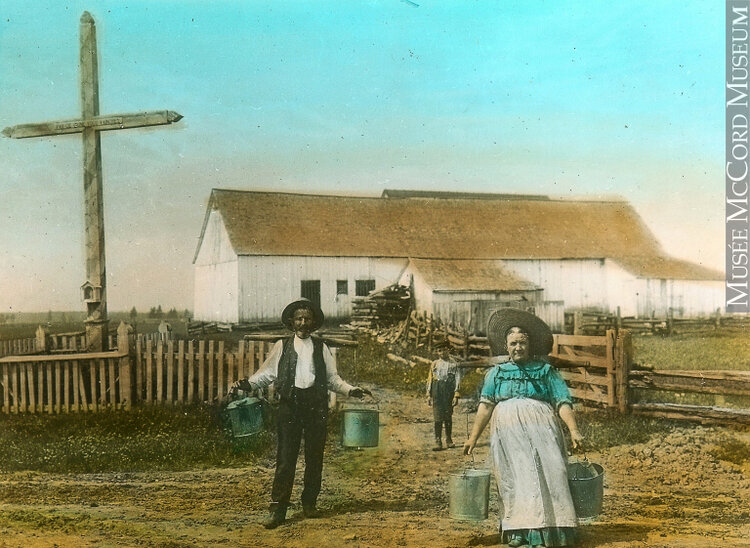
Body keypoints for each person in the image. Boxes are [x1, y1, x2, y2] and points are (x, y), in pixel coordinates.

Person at [232, 298, 371, 529]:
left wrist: (351, 390)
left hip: (316, 407)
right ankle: (278, 510)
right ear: (292, 321)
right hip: (290, 406)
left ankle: (309, 504)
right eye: (299, 318)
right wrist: (247, 384)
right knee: (286, 459)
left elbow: (332, 379)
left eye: (307, 319)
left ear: (313, 322)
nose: (303, 323)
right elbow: (267, 374)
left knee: (314, 457)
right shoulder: (282, 346)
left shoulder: (321, 347)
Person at [463, 308, 583, 548]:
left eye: (522, 343)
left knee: (553, 473)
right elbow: (485, 406)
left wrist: (573, 430)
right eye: (513, 343)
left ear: (530, 345)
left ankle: (550, 531)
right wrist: (472, 438)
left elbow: (562, 403)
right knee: (513, 478)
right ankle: (517, 530)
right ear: (506, 346)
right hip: (508, 434)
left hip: (543, 431)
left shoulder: (546, 372)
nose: (518, 347)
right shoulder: (496, 374)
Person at [426, 347, 460, 451]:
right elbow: (430, 379)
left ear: (449, 350)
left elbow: (457, 379)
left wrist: (456, 394)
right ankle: (438, 441)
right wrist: (428, 393)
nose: (442, 352)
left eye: (445, 350)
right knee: (437, 416)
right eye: (440, 350)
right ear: (437, 352)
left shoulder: (454, 364)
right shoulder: (435, 363)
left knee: (447, 415)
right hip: (437, 390)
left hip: (448, 390)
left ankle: (449, 440)